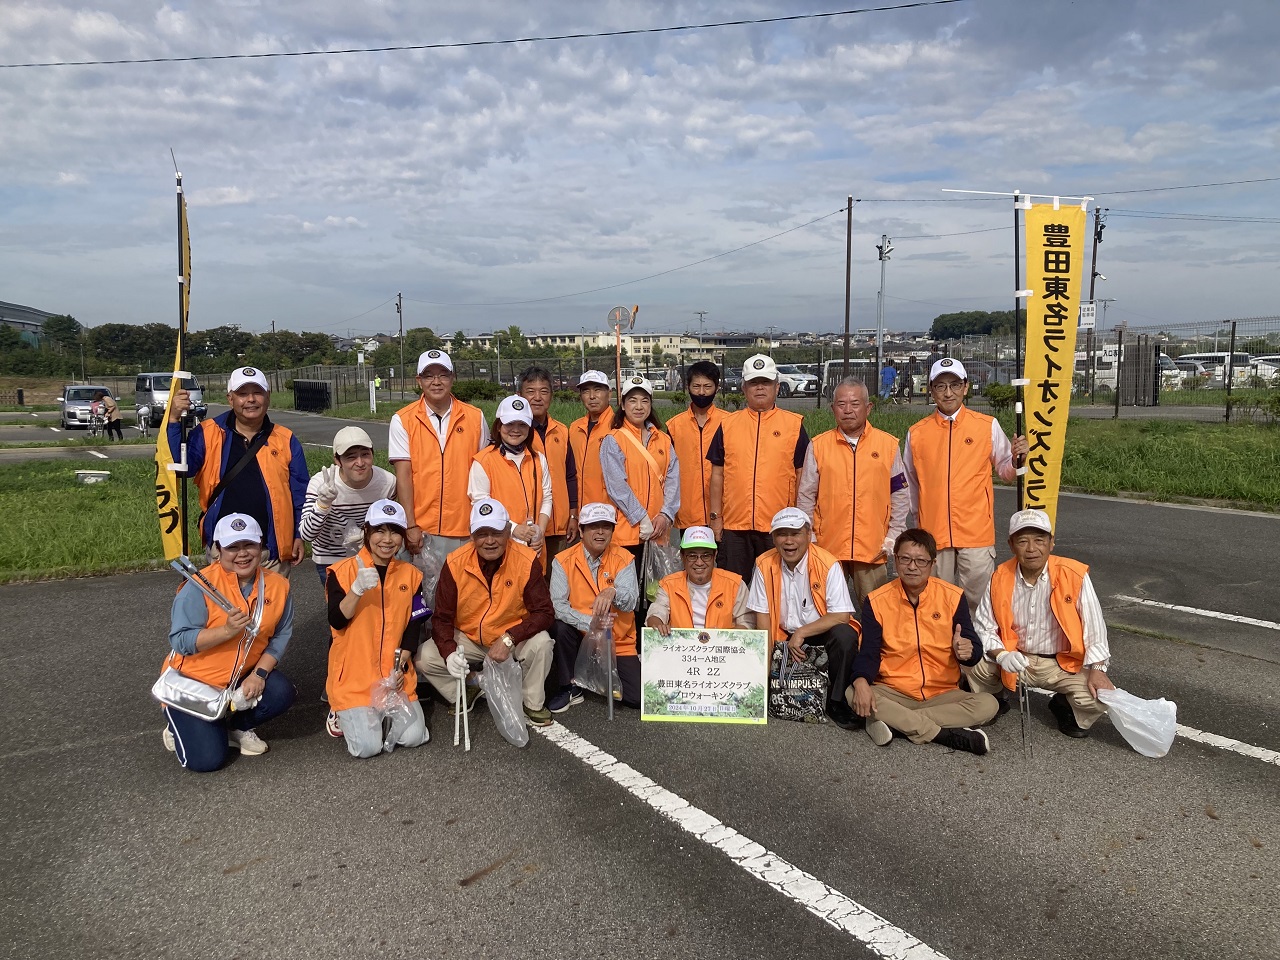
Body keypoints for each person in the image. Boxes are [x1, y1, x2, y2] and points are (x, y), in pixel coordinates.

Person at [159, 513, 297, 772]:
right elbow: (180, 640)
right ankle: (180, 723)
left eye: (249, 545)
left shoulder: (279, 586)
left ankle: (236, 726)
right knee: (207, 761)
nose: (242, 554)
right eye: (232, 547)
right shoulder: (198, 587)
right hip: (194, 682)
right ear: (218, 550)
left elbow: (280, 636)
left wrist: (259, 674)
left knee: (281, 692)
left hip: (241, 676)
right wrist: (225, 631)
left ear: (261, 547)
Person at [849, 528, 998, 755]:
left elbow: (973, 647)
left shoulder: (952, 596)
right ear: (895, 560)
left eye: (920, 561)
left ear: (932, 563)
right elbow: (869, 651)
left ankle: (897, 724)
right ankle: (943, 735)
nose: (912, 566)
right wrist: (860, 681)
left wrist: (967, 650)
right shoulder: (877, 600)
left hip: (942, 693)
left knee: (989, 704)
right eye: (905, 559)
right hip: (894, 690)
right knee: (853, 692)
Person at [970, 509, 1114, 738]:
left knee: (1099, 698)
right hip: (1016, 659)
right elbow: (984, 626)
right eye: (1023, 541)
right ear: (1011, 544)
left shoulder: (1073, 574)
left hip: (1061, 664)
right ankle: (996, 698)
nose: (1031, 549)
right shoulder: (1000, 576)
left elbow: (1094, 628)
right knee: (973, 660)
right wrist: (1002, 656)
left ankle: (1063, 705)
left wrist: (1097, 670)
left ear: (1051, 542)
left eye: (1039, 540)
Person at [903, 358, 1028, 612]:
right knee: (937, 602)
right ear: (930, 390)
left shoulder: (986, 425)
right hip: (933, 533)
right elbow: (909, 483)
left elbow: (1005, 469)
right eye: (940, 386)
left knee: (980, 603)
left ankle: (978, 650)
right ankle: (941, 649)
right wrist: (919, 521)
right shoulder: (917, 432)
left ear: (966, 387)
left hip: (976, 533)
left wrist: (1017, 459)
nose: (948, 392)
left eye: (954, 384)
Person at [418, 498, 556, 727]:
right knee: (425, 657)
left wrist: (510, 638)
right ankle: (469, 686)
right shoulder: (455, 563)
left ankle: (531, 702)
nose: (490, 541)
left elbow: (544, 612)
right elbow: (442, 617)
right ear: (472, 536)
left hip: (510, 637)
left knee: (542, 643)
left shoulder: (526, 560)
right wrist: (450, 653)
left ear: (507, 532)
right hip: (470, 638)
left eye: (497, 532)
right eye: (482, 534)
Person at [170, 367, 308, 572]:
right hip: (224, 549)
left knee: (271, 604)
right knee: (227, 604)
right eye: (242, 394)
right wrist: (173, 420)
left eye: (257, 392)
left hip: (270, 550)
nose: (251, 399)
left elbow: (301, 493)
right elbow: (183, 468)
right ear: (230, 399)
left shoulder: (285, 439)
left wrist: (298, 534)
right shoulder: (208, 432)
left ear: (268, 397)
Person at [325, 500, 431, 757]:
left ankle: (377, 714)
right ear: (367, 532)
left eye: (395, 531)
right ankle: (342, 711)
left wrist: (401, 663)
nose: (387, 539)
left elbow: (415, 622)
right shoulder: (341, 572)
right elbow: (337, 621)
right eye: (379, 531)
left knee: (414, 737)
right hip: (354, 679)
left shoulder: (411, 574)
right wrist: (357, 590)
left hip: (393, 677)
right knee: (366, 748)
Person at [747, 508, 861, 730]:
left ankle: (837, 702)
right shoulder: (763, 564)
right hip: (781, 634)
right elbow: (763, 619)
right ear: (773, 538)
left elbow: (841, 615)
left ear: (808, 535)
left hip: (818, 631)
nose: (788, 541)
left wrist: (801, 633)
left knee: (845, 636)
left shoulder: (828, 563)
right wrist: (766, 670)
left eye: (795, 533)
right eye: (781, 534)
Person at [797, 378, 908, 604]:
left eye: (855, 404)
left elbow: (900, 494)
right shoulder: (818, 445)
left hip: (872, 547)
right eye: (841, 404)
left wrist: (892, 537)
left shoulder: (888, 445)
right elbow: (806, 495)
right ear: (833, 408)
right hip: (828, 546)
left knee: (874, 611)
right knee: (824, 609)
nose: (848, 410)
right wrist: (811, 536)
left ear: (868, 408)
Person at [707, 355, 809, 580]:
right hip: (735, 526)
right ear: (744, 388)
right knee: (732, 590)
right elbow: (717, 474)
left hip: (779, 525)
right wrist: (715, 518)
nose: (760, 387)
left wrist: (799, 519)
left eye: (766, 382)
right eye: (754, 382)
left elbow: (803, 474)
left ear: (777, 387)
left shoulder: (794, 425)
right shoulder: (728, 425)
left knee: (778, 588)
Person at [388, 349, 490, 558]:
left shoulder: (475, 417)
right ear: (419, 380)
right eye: (428, 375)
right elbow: (404, 475)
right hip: (422, 530)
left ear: (452, 378)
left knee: (462, 591)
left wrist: (482, 523)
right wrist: (410, 524)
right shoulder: (402, 420)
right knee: (422, 590)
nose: (436, 382)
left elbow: (486, 473)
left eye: (443, 374)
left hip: (466, 527)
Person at [546, 502, 641, 712]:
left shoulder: (625, 558)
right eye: (592, 526)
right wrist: (590, 624)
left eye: (606, 526)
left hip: (617, 641)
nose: (600, 532)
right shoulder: (562, 560)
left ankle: (594, 675)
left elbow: (632, 600)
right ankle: (569, 685)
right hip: (580, 636)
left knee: (635, 698)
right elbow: (557, 605)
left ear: (612, 531)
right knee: (559, 626)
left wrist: (613, 592)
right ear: (581, 530)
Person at [299, 426, 397, 587]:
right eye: (351, 457)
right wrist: (323, 504)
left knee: (373, 609)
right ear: (337, 461)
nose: (360, 463)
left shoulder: (387, 482)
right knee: (342, 610)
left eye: (365, 455)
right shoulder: (321, 484)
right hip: (330, 558)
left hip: (372, 556)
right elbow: (307, 535)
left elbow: (390, 525)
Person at [599, 376, 679, 563]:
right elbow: (617, 486)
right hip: (626, 532)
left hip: (658, 531)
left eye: (644, 400)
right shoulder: (613, 440)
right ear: (623, 405)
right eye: (632, 400)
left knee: (654, 590)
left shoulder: (663, 440)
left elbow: (673, 479)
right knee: (627, 589)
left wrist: (665, 515)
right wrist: (641, 518)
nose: (639, 406)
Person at [469, 395, 553, 555]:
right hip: (501, 546)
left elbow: (547, 497)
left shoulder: (538, 459)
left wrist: (539, 532)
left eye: (522, 424)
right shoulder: (483, 461)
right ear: (499, 426)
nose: (516, 430)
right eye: (509, 424)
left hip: (534, 547)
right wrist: (514, 528)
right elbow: (481, 505)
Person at [645, 525, 753, 633]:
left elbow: (748, 624)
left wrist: (720, 638)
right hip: (681, 648)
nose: (699, 562)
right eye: (692, 556)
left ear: (715, 556)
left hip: (722, 648)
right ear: (682, 557)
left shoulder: (735, 584)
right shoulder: (668, 585)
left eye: (706, 556)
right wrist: (657, 625)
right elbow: (656, 614)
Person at [521, 365, 579, 562]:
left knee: (560, 582)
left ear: (551, 396)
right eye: (530, 391)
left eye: (544, 391)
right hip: (530, 528)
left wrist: (572, 515)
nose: (537, 397)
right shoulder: (515, 432)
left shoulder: (562, 431)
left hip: (561, 526)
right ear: (519, 395)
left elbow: (570, 476)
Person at [665, 360, 726, 532]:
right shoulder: (674, 426)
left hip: (725, 513)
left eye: (707, 386)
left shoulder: (729, 423)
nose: (701, 392)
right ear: (687, 386)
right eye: (696, 386)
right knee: (692, 559)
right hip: (688, 513)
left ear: (717, 387)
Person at [568, 370, 614, 509]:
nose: (592, 396)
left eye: (598, 390)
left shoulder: (618, 427)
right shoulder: (574, 428)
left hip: (609, 513)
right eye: (586, 391)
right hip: (581, 512)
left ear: (609, 394)